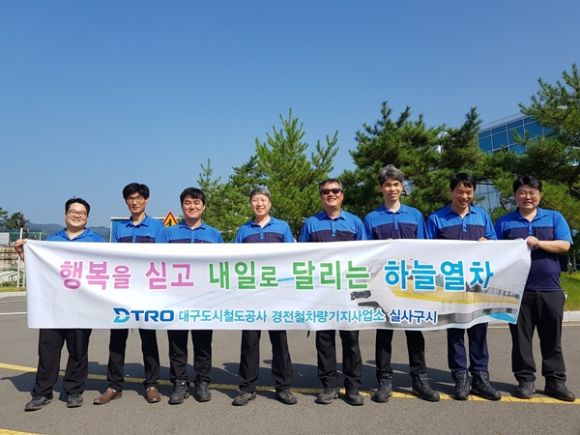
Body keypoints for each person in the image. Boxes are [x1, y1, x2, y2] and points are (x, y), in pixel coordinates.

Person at [14, 198, 106, 411]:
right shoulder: (51, 241)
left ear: (87, 217)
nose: (77, 215)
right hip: (52, 306)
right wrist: (23, 255)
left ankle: (74, 391)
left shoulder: (97, 241)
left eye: (81, 212)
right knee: (48, 350)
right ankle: (42, 392)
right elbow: (40, 269)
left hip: (82, 306)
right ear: (65, 215)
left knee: (78, 350)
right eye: (73, 211)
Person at [495, 176, 575, 402]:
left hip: (550, 289)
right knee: (521, 340)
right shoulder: (504, 222)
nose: (527, 197)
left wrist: (539, 243)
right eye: (522, 192)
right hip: (516, 290)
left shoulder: (554, 217)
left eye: (532, 192)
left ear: (540, 195)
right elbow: (495, 251)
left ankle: (555, 381)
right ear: (514, 196)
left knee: (552, 339)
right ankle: (525, 380)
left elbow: (564, 245)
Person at [363, 165, 439, 403]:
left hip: (411, 283)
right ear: (380, 188)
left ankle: (420, 380)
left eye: (396, 184)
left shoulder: (415, 215)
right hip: (383, 285)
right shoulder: (371, 218)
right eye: (388, 185)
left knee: (415, 332)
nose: (392, 189)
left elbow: (425, 248)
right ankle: (384, 380)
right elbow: (364, 253)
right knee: (384, 333)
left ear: (402, 187)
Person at [426, 173, 501, 401]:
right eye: (460, 191)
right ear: (451, 192)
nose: (464, 196)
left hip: (478, 285)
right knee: (456, 333)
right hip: (451, 287)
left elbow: (495, 244)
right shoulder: (437, 218)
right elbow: (425, 251)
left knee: (479, 332)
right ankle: (460, 377)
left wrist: (488, 243)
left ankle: (480, 378)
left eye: (469, 192)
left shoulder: (482, 216)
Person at [94, 183, 165, 405]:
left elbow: (163, 258)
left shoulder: (158, 227)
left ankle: (152, 384)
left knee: (149, 339)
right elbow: (113, 257)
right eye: (130, 199)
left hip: (147, 291)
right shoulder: (119, 228)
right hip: (122, 291)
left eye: (138, 198)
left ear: (146, 200)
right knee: (117, 339)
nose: (134, 202)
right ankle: (115, 385)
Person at [299, 178, 366, 406]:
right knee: (324, 341)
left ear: (342, 195)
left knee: (351, 340)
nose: (331, 194)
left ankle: (353, 386)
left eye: (335, 190)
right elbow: (301, 257)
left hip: (349, 291)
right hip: (322, 292)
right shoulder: (311, 223)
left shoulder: (355, 222)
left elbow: (366, 255)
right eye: (326, 191)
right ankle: (329, 385)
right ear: (321, 196)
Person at [156, 187, 223, 405]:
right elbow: (156, 262)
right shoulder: (168, 234)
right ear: (182, 206)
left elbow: (221, 266)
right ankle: (180, 382)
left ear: (204, 206)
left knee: (203, 342)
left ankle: (202, 381)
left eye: (196, 202)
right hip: (176, 297)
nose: (192, 206)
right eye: (187, 202)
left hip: (204, 297)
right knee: (177, 343)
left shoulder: (213, 235)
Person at [231, 187, 297, 406]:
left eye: (263, 200)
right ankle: (247, 388)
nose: (259, 203)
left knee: (279, 342)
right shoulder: (243, 230)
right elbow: (232, 260)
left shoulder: (282, 227)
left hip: (277, 294)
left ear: (270, 203)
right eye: (255, 200)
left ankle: (283, 387)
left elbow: (293, 257)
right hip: (251, 294)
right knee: (249, 342)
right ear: (250, 204)